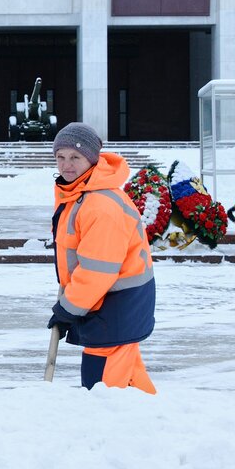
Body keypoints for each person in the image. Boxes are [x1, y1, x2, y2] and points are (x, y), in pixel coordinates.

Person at [49, 122, 156, 393]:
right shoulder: (79, 195)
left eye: (75, 157)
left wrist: (68, 308)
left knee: (102, 389)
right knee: (129, 383)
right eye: (60, 157)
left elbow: (98, 271)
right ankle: (155, 425)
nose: (66, 165)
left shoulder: (100, 205)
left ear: (92, 160)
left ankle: (118, 433)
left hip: (115, 305)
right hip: (112, 304)